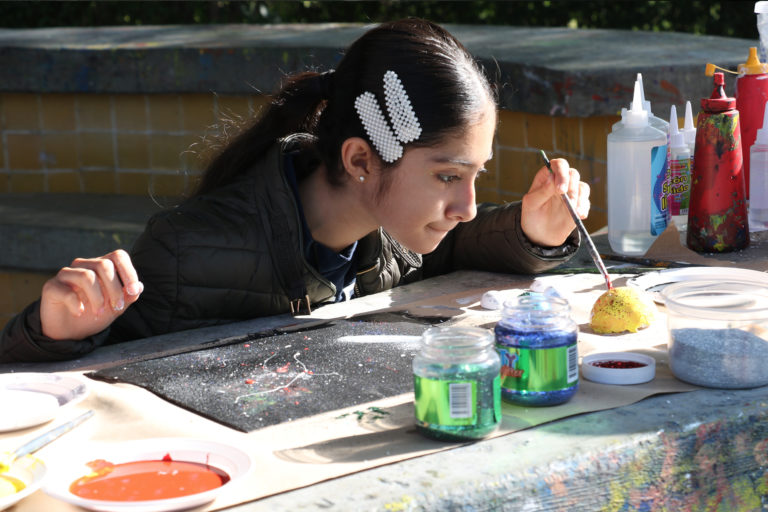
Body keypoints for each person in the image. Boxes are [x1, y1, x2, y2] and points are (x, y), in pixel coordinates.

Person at [0, 18, 589, 363]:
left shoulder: (394, 237)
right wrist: (51, 330)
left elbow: (459, 246)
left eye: (475, 177)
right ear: (360, 159)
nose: (466, 207)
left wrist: (533, 232)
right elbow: (57, 390)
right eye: (447, 176)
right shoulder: (189, 253)